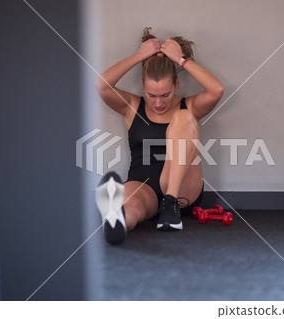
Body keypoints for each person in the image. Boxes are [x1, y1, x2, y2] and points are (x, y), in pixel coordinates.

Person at [95, 27, 224, 244]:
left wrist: (180, 59)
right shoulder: (133, 107)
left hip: (183, 188)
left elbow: (217, 90)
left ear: (176, 84)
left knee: (183, 117)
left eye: (165, 95)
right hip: (143, 183)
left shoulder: (190, 105)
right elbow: (102, 86)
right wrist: (139, 56)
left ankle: (170, 204)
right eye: (151, 95)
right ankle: (117, 222)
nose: (158, 103)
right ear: (143, 87)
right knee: (130, 206)